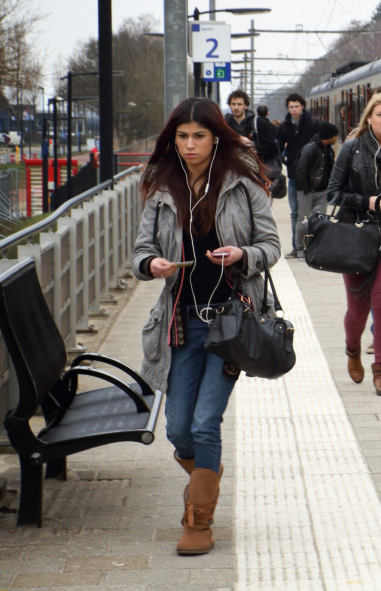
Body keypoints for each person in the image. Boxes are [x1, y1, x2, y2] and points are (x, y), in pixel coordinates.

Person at [130, 97, 280, 556]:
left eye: (199, 136)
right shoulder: (161, 186)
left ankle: (199, 518)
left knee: (205, 422)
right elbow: (140, 251)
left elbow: (271, 245)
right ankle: (205, 479)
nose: (190, 144)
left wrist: (243, 255)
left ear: (216, 137)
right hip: (180, 323)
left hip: (230, 324)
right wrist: (151, 264)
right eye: (182, 136)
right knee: (178, 430)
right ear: (172, 139)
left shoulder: (243, 182)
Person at [325, 92, 381, 395]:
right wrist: (368, 201)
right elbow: (333, 192)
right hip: (355, 234)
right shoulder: (351, 148)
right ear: (369, 118)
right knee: (357, 308)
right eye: (380, 114)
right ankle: (352, 350)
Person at [276, 92, 320, 257]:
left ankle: (311, 246)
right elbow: (278, 148)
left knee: (308, 212)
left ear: (302, 107)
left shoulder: (313, 124)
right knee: (295, 211)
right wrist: (283, 162)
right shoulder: (284, 126)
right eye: (291, 107)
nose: (294, 109)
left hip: (310, 176)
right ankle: (297, 247)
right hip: (293, 175)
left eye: (296, 106)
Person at [293, 120, 339, 259]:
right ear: (329, 136)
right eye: (335, 136)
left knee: (320, 222)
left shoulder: (329, 151)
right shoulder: (310, 148)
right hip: (306, 192)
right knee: (303, 221)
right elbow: (301, 169)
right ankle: (300, 249)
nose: (337, 138)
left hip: (322, 192)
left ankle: (316, 248)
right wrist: (305, 189)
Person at [225, 89, 278, 164]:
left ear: (246, 106)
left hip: (255, 166)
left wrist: (252, 144)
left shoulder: (257, 122)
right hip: (232, 165)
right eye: (233, 104)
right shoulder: (226, 124)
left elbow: (273, 149)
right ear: (229, 105)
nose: (236, 107)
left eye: (239, 104)